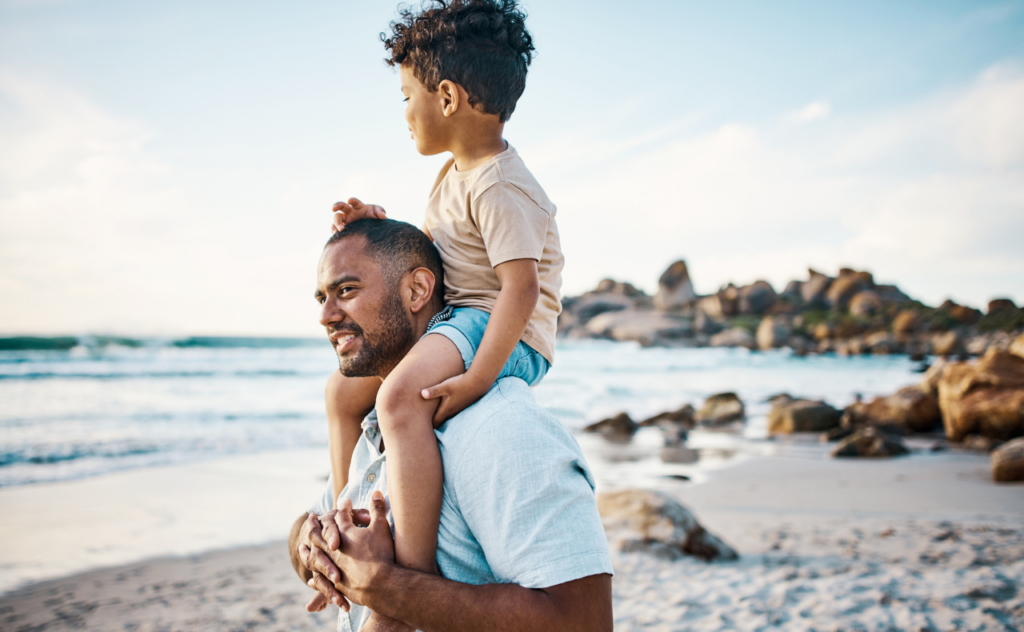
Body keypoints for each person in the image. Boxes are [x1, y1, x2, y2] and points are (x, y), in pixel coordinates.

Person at [324, 0, 565, 591]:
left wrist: (480, 377)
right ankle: (343, 516)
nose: (405, 112)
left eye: (408, 96)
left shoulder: (500, 184)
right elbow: (438, 254)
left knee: (400, 398)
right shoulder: (458, 174)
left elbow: (520, 289)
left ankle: (412, 564)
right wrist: (382, 226)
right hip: (461, 320)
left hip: (499, 328)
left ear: (449, 98)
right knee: (342, 391)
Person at [292, 219, 611, 632]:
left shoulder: (502, 430)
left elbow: (584, 622)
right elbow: (310, 520)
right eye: (322, 297)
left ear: (417, 291)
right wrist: (313, 543)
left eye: (346, 291)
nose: (325, 316)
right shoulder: (377, 429)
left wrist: (387, 589)